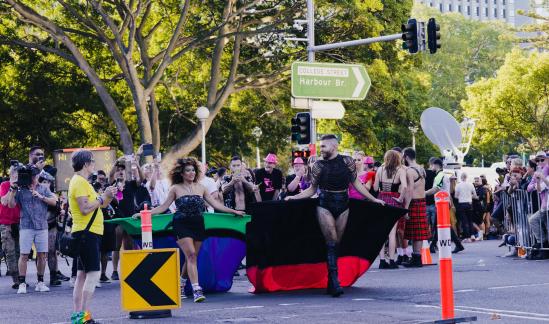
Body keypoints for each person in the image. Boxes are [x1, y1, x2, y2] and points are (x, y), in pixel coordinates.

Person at [286, 135, 384, 297]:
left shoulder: (347, 162)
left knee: (337, 242)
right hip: (324, 204)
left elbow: (357, 183)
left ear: (334, 146)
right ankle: (335, 280)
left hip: (343, 204)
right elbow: (311, 189)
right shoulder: (318, 165)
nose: (321, 149)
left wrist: (373, 199)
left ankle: (332, 281)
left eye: (324, 146)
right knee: (331, 241)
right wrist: (294, 197)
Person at [139, 157, 244, 302]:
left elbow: (215, 204)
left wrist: (233, 212)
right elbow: (163, 207)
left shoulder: (201, 188)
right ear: (181, 174)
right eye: (188, 170)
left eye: (193, 170)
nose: (191, 173)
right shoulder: (175, 188)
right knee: (192, 255)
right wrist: (144, 214)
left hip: (198, 224)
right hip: (181, 224)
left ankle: (181, 284)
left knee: (191, 257)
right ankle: (197, 290)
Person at [68, 149, 117, 324]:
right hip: (86, 234)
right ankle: (84, 316)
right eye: (93, 162)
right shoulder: (80, 182)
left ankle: (78, 316)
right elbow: (85, 208)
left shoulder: (83, 182)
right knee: (93, 274)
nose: (94, 165)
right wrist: (103, 197)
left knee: (82, 275)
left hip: (87, 233)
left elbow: (99, 205)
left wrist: (108, 196)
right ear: (86, 163)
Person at [6, 164, 58, 294]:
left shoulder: (43, 188)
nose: (33, 178)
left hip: (42, 226)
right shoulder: (20, 190)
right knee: (24, 255)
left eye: (35, 176)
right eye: (31, 176)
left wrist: (41, 197)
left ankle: (40, 282)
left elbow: (55, 201)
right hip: (26, 226)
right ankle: (22, 283)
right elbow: (11, 205)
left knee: (42, 254)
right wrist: (12, 190)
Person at [109, 158, 151, 281]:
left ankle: (130, 269)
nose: (120, 172)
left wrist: (137, 164)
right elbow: (110, 175)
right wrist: (116, 162)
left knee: (129, 245)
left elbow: (142, 179)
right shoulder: (113, 184)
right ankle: (115, 271)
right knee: (116, 246)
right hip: (118, 218)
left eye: (122, 170)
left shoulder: (130, 184)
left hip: (130, 218)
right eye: (118, 170)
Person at [373, 150, 407, 269]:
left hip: (381, 199)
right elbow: (405, 186)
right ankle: (392, 260)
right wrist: (401, 198)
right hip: (394, 200)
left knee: (381, 232)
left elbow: (375, 187)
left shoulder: (380, 169)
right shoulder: (400, 170)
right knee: (392, 233)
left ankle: (382, 261)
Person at [401, 148, 430, 267]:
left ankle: (416, 259)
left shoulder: (409, 171)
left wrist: (406, 209)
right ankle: (417, 257)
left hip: (414, 202)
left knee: (415, 232)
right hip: (422, 201)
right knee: (418, 232)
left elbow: (409, 190)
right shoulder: (421, 168)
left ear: (406, 157)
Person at [0, 165, 21, 289]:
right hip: (6, 223)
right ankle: (16, 279)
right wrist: (12, 188)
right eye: (15, 176)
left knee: (20, 251)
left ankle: (21, 277)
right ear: (11, 176)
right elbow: (4, 202)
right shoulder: (4, 185)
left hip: (19, 223)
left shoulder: (23, 185)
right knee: (10, 251)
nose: (17, 179)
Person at [527, 151, 549, 260]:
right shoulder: (539, 172)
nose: (539, 162)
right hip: (544, 205)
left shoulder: (547, 169)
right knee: (533, 220)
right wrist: (538, 181)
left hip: (545, 205)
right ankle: (543, 243)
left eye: (542, 160)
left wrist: (541, 178)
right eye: (538, 160)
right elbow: (532, 188)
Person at [455, 172, 478, 241]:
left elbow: (456, 196)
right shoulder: (471, 184)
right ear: (466, 177)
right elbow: (475, 195)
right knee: (470, 220)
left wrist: (461, 196)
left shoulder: (458, 185)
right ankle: (472, 235)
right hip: (469, 203)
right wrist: (469, 196)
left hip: (462, 204)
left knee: (464, 221)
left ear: (461, 177)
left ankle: (467, 237)